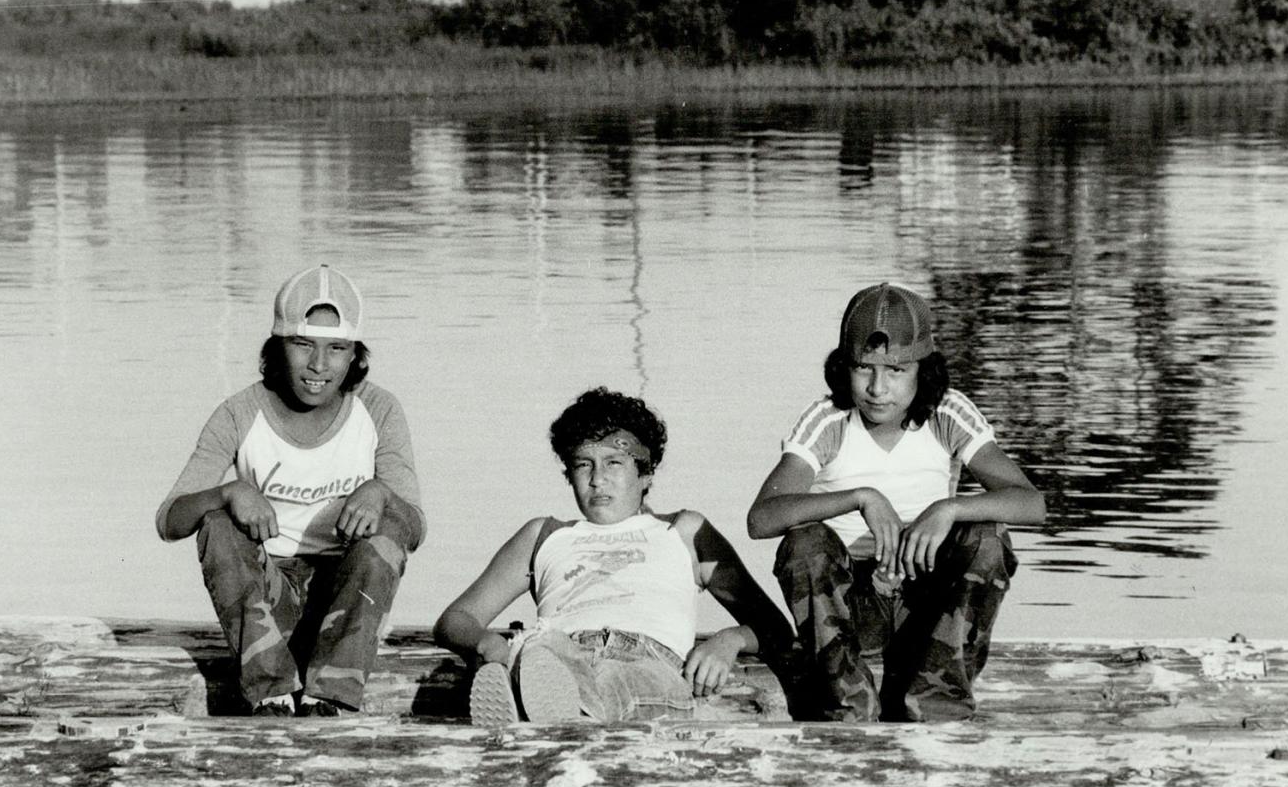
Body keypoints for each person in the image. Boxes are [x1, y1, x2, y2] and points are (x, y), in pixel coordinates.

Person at [747, 283, 1045, 723]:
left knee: (986, 535)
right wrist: (860, 498)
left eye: (897, 371)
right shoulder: (828, 420)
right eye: (863, 368)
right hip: (851, 609)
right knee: (804, 543)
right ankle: (848, 702)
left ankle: (937, 702)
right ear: (843, 367)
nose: (878, 388)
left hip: (925, 608)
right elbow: (762, 518)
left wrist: (949, 509)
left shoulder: (947, 414)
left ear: (923, 370)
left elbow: (1032, 504)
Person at [156, 264, 424, 718]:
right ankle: (271, 694)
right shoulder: (240, 412)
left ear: (354, 353)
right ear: (277, 347)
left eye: (336, 349)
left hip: (341, 604)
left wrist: (381, 492)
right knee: (217, 526)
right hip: (269, 597)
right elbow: (169, 521)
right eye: (303, 345)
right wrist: (228, 492)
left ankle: (329, 699)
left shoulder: (377, 409)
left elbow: (414, 528)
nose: (319, 366)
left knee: (388, 526)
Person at [435, 387, 794, 725]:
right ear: (568, 474)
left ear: (646, 473)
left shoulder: (683, 532)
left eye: (614, 463)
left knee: (614, 679)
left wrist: (728, 640)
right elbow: (457, 618)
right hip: (559, 653)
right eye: (583, 465)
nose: (597, 480)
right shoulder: (543, 535)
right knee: (540, 648)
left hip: (649, 662)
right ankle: (550, 704)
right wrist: (486, 643)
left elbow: (775, 628)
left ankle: (550, 712)